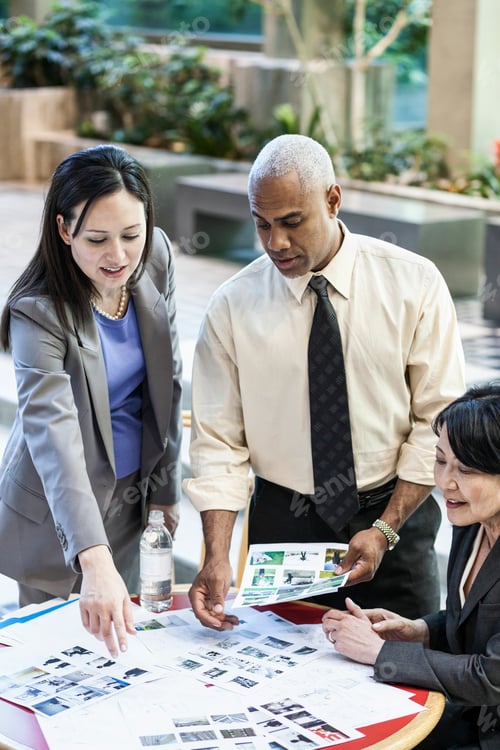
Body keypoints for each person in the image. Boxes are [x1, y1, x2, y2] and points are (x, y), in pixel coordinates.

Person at [183, 133, 465, 630]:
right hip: (283, 525)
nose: (276, 243)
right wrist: (217, 554)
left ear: (333, 199)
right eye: (262, 224)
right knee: (279, 681)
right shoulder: (232, 306)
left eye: (292, 222)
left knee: (410, 677)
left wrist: (384, 529)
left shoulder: (413, 283)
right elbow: (218, 444)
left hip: (395, 519)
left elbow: (436, 423)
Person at [0, 144, 182, 655]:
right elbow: (52, 434)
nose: (119, 256)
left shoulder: (157, 258)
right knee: (53, 659)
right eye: (97, 239)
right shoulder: (38, 313)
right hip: (58, 510)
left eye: (132, 234)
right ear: (64, 230)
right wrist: (92, 555)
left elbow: (168, 384)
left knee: (125, 650)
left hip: (131, 498)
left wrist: (165, 488)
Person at [322, 383, 500, 750]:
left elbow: (491, 676)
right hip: (469, 717)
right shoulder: (473, 523)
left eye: (465, 470)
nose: (445, 482)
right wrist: (418, 630)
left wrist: (378, 653)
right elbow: (474, 620)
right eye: (439, 461)